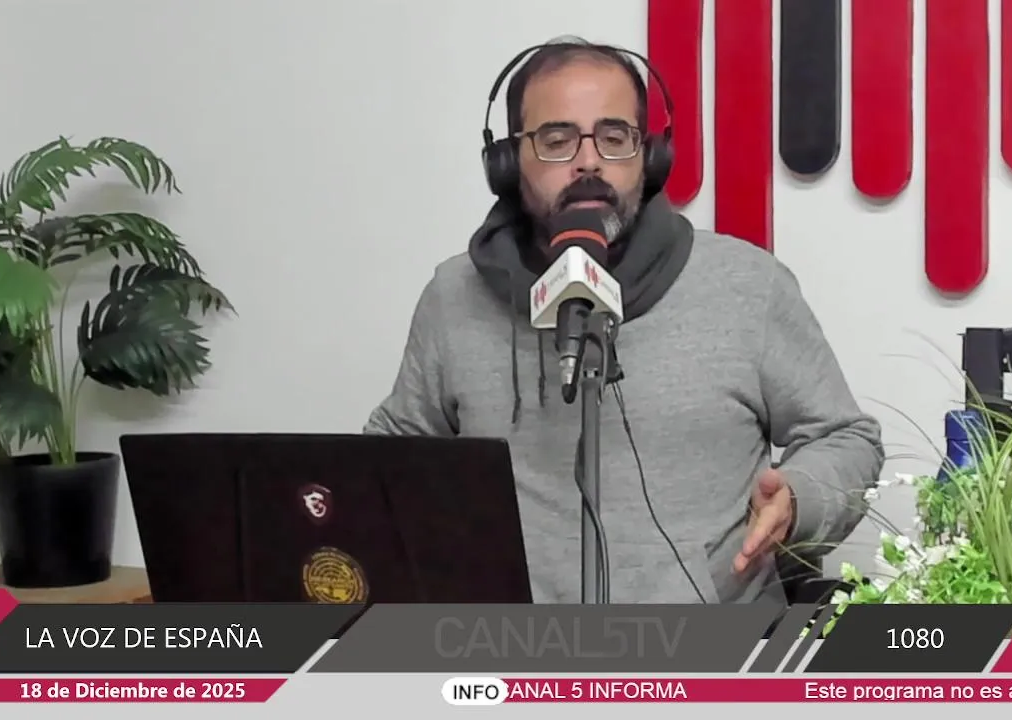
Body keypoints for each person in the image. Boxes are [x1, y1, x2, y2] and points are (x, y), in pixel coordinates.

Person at [363, 38, 884, 604]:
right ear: (508, 164)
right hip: (514, 644)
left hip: (712, 646)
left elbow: (847, 438)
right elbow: (390, 455)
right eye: (557, 141)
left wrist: (800, 497)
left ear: (649, 157)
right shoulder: (453, 297)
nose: (589, 162)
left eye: (614, 138)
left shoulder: (747, 285)